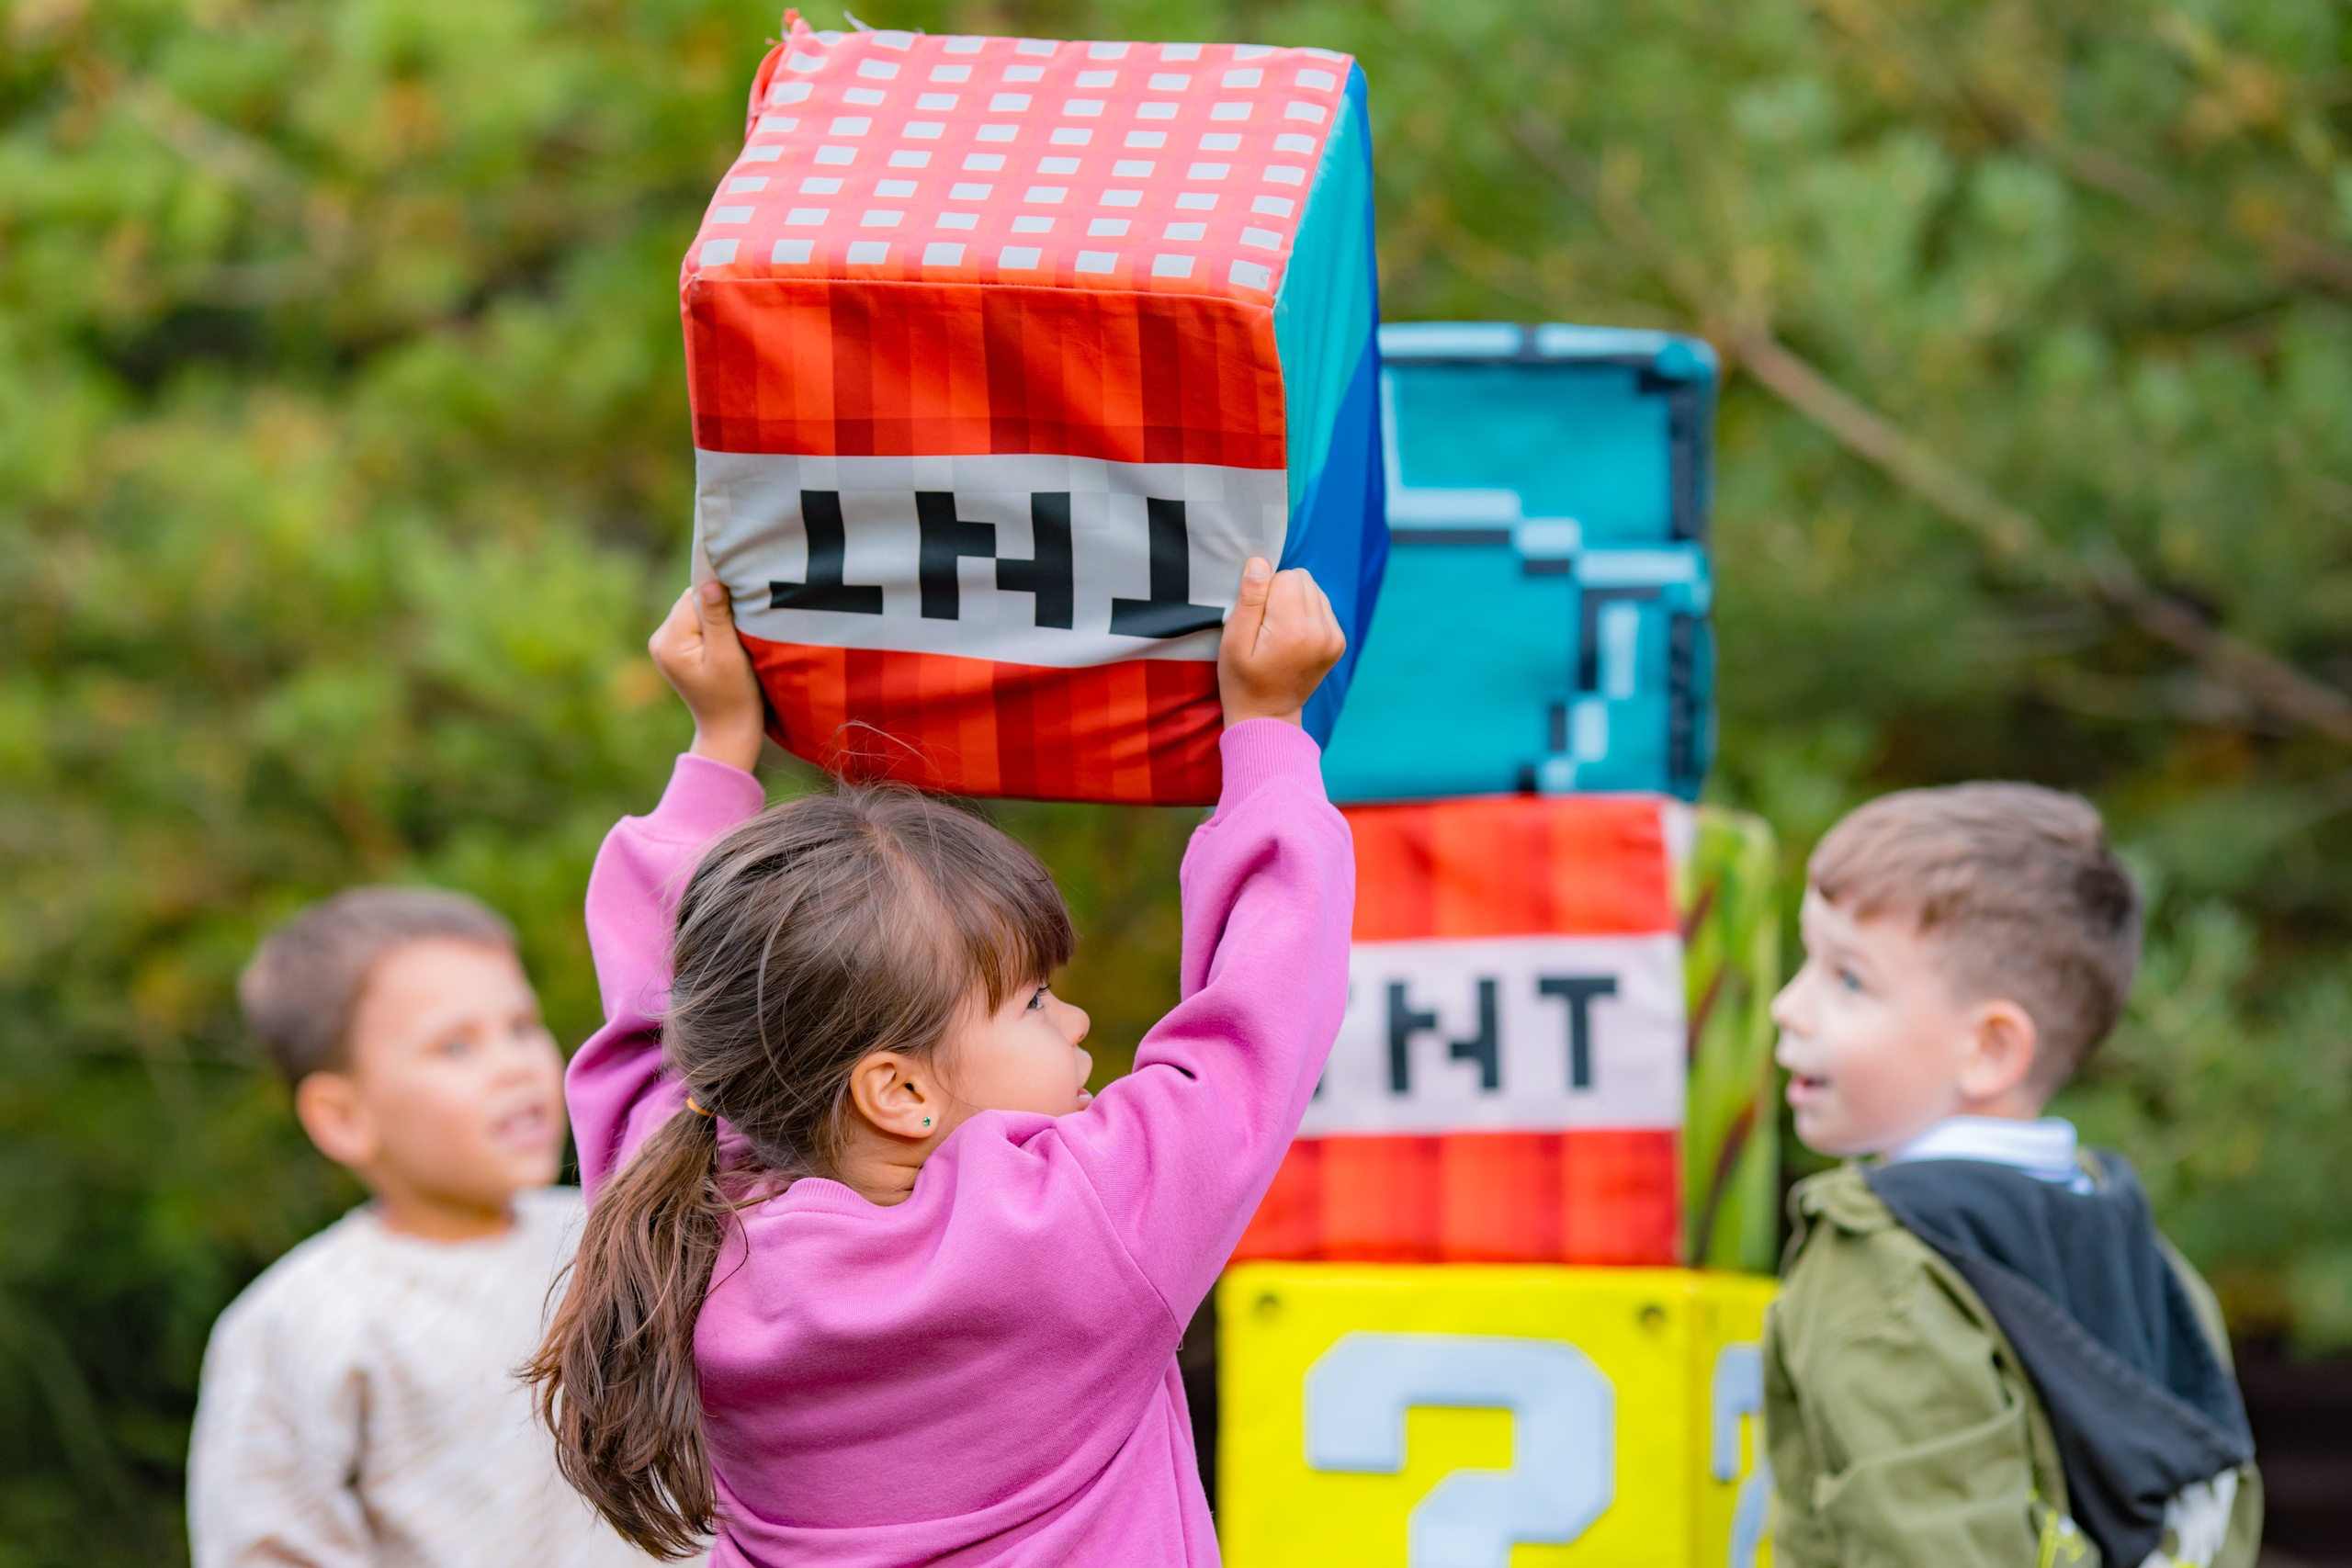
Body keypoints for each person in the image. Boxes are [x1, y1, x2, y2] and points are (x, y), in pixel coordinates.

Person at [526, 559, 1351, 1566]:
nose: (1079, 1021)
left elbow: (658, 1026)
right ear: (899, 1090)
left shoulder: (677, 1223)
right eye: (1036, 1002)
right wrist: (1266, 731)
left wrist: (717, 752)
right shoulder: (1074, 1226)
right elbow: (1261, 1019)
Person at [1761, 784, 2264, 1568]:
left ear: (1991, 1048)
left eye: (1848, 979)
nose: (1788, 1007)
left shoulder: (1880, 1263)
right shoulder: (2149, 1258)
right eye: (1806, 961)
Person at [187, 886, 665, 1567]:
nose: (515, 1064)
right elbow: (268, 1544)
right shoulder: (300, 1319)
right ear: (344, 1116)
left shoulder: (613, 1233)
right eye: (456, 1045)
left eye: (522, 1026)